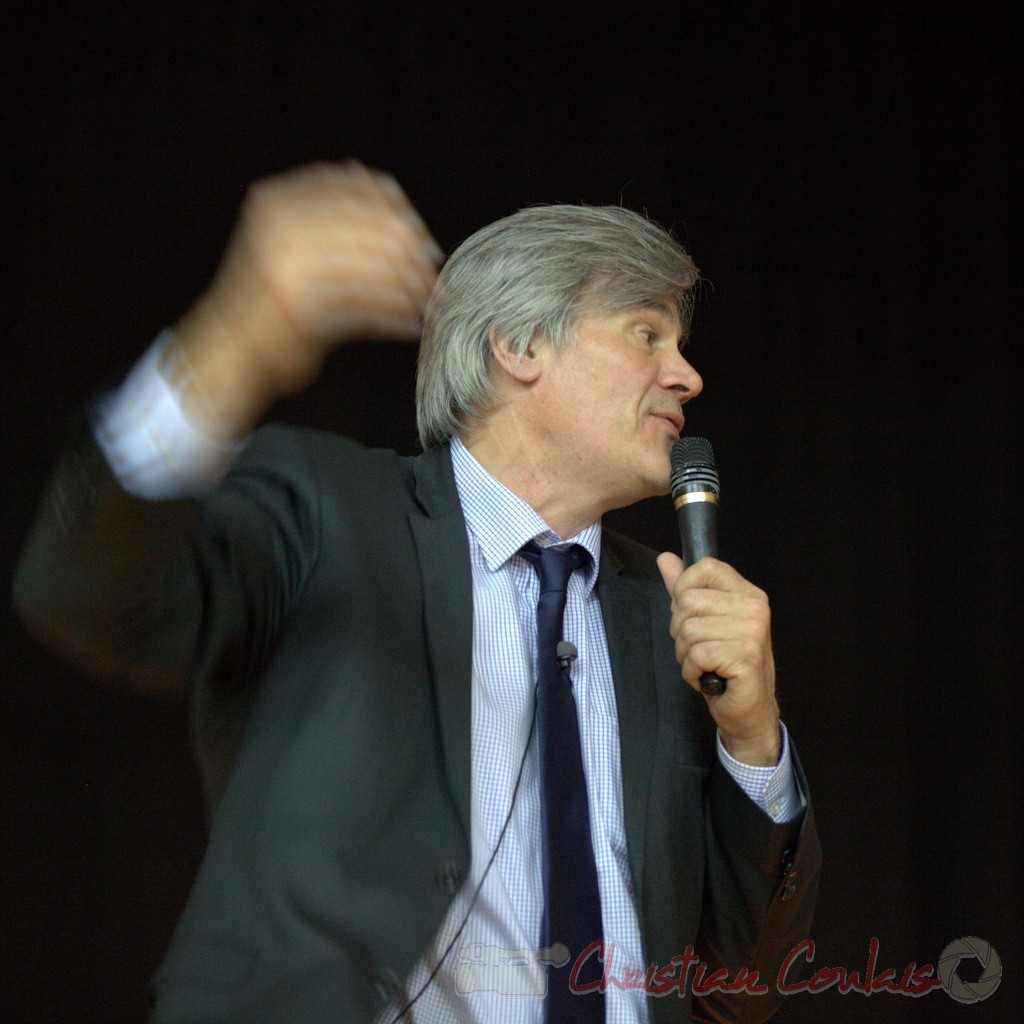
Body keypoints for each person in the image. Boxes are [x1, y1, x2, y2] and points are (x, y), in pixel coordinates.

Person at [14, 161, 820, 1024]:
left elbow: (746, 991)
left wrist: (751, 739)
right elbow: (88, 596)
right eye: (645, 335)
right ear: (518, 347)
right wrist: (233, 342)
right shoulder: (330, 512)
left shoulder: (669, 618)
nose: (686, 375)